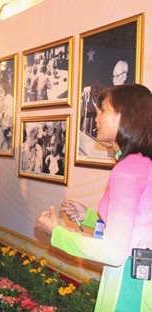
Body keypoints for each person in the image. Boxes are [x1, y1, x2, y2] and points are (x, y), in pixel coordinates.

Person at [37, 84, 152, 312]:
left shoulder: (128, 169)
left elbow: (113, 251)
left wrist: (57, 233)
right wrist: (88, 217)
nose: (95, 117)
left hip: (128, 289)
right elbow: (137, 228)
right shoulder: (142, 163)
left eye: (103, 110)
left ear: (125, 116)